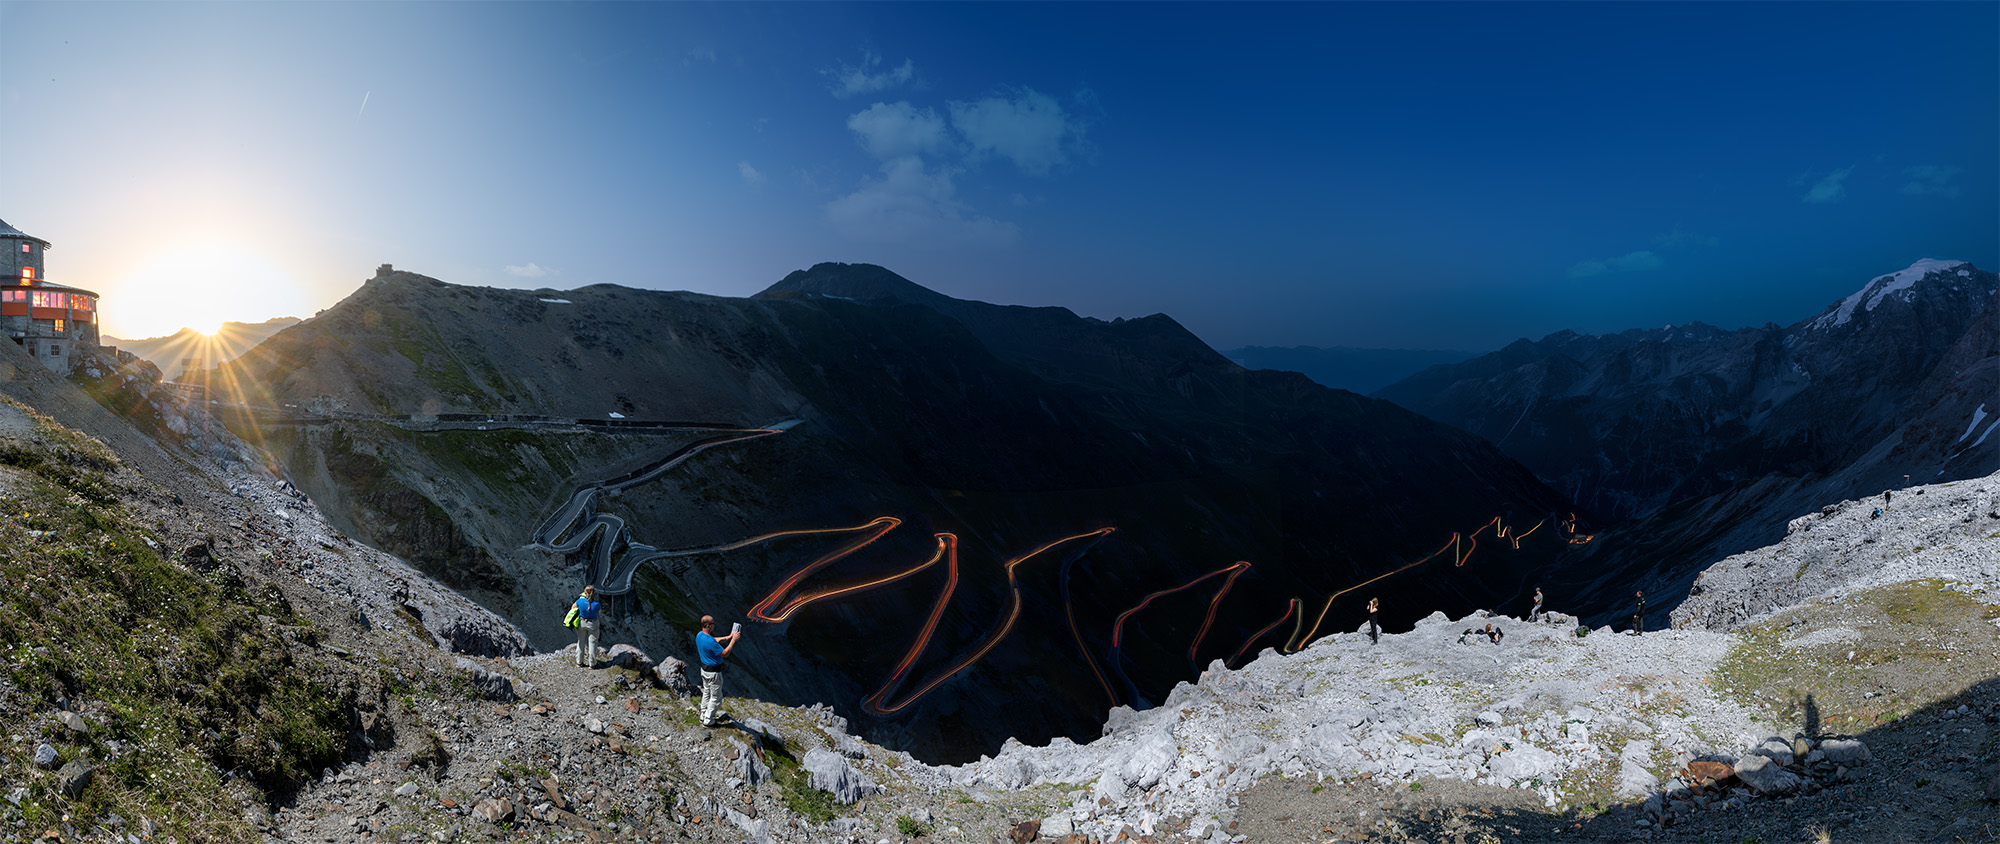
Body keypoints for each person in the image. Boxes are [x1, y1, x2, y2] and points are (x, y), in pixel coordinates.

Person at [695, 615, 741, 728]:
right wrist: (733, 641)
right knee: (716, 698)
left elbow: (715, 640)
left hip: (704, 670)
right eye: (712, 623)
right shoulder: (710, 642)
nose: (714, 624)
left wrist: (729, 636)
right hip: (714, 673)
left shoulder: (700, 635)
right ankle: (709, 720)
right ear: (708, 626)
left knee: (706, 692)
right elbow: (725, 653)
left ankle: (703, 714)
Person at [573, 585, 603, 668]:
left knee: (581, 642)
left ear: (585, 592)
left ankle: (579, 662)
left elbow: (573, 607)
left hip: (582, 623)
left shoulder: (580, 601)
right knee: (592, 643)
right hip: (593, 624)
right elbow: (598, 613)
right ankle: (592, 664)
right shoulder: (597, 604)